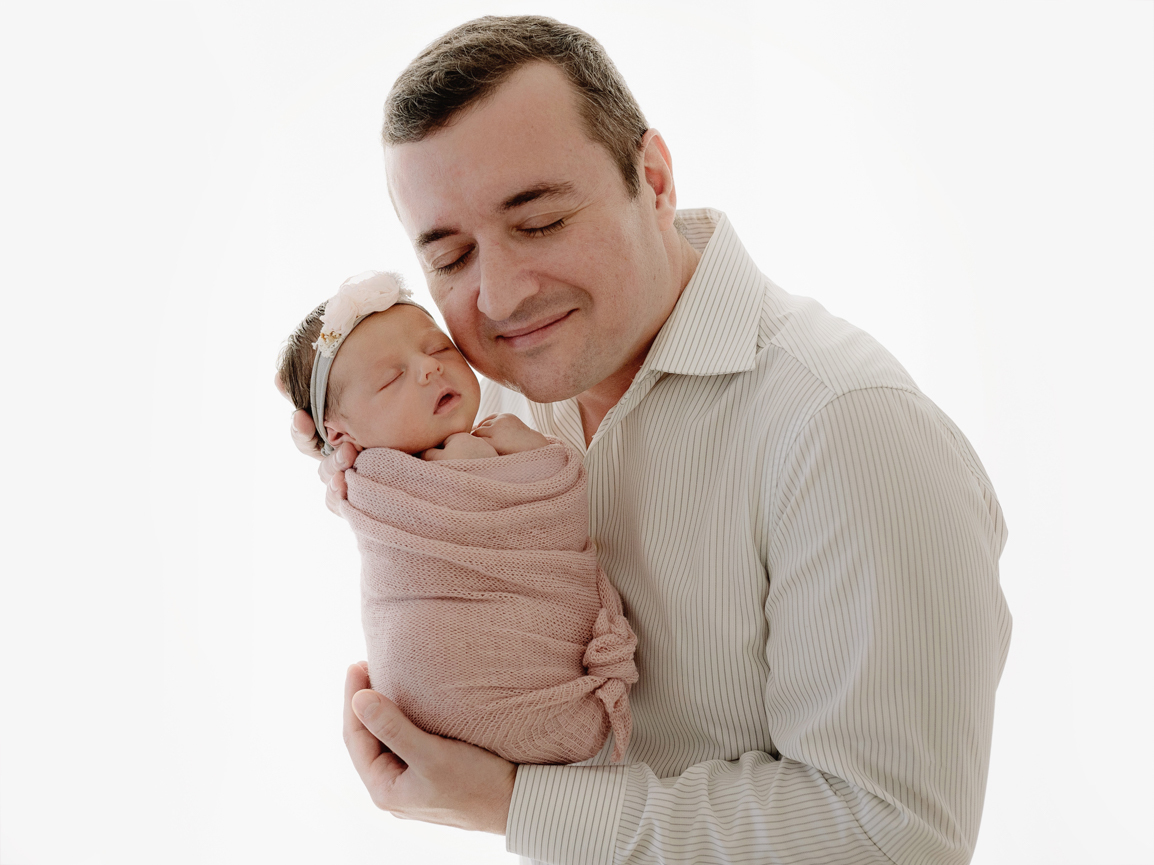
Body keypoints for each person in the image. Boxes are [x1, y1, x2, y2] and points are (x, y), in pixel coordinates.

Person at [279, 15, 1011, 864]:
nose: (503, 294)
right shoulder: (508, 395)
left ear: (653, 178)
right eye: (450, 257)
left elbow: (891, 833)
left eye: (541, 220)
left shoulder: (847, 427)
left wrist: (515, 805)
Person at [277, 270, 638, 766]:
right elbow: (555, 486)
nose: (428, 369)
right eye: (390, 378)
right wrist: (532, 460)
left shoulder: (501, 415)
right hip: (434, 693)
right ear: (341, 437)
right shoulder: (370, 487)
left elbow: (553, 515)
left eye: (439, 349)